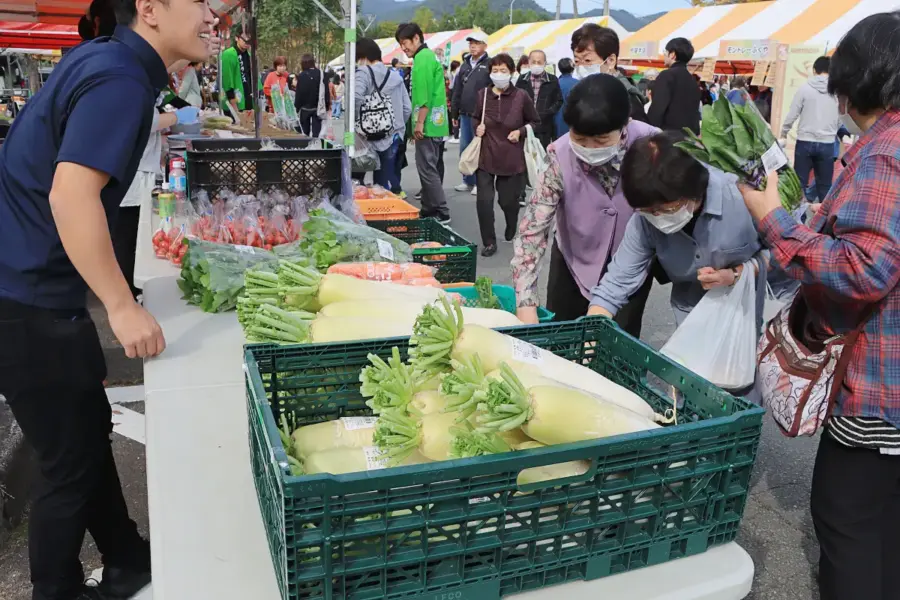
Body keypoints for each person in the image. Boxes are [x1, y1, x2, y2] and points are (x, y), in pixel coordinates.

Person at [0, 0, 216, 597]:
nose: (211, 16)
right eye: (199, 2)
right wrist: (122, 306)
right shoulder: (120, 77)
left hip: (33, 292)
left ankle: (126, 559)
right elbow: (71, 196)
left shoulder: (108, 60)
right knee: (65, 469)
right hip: (27, 300)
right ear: (149, 8)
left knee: (88, 433)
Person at [739, 12, 900, 600]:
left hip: (880, 387)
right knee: (885, 527)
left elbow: (867, 268)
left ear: (858, 81)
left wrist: (772, 220)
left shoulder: (885, 152)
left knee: (849, 523)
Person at [512, 74, 658, 333]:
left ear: (625, 123)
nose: (589, 148)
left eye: (601, 141)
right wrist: (525, 302)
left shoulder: (652, 145)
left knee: (617, 345)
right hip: (574, 260)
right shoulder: (559, 154)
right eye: (580, 138)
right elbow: (533, 228)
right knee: (563, 336)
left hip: (630, 265)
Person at [587, 131, 766, 331]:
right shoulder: (645, 220)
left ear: (694, 190)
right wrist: (594, 323)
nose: (657, 216)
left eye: (666, 209)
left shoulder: (741, 195)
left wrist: (736, 273)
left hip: (756, 311)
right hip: (693, 316)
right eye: (648, 211)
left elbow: (785, 255)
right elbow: (619, 278)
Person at [473, 53, 539, 257]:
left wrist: (520, 131)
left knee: (508, 202)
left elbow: (535, 121)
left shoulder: (521, 96)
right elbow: (475, 118)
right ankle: (489, 241)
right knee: (484, 201)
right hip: (486, 157)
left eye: (503, 70)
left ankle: (511, 224)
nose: (498, 74)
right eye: (495, 70)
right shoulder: (483, 95)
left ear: (512, 72)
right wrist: (478, 128)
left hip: (511, 158)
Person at [396, 22, 451, 224]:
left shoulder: (423, 59)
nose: (404, 48)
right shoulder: (427, 57)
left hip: (427, 123)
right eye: (401, 44)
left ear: (417, 38)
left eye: (405, 42)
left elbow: (424, 96)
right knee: (430, 167)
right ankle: (429, 208)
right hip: (435, 122)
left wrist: (418, 124)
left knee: (427, 169)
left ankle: (442, 211)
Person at [354, 37, 412, 195]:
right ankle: (385, 211)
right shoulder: (395, 76)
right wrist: (395, 126)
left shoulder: (363, 73)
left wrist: (360, 123)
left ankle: (364, 215)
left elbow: (356, 98)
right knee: (383, 183)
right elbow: (407, 108)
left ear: (363, 57)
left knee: (356, 181)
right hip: (392, 136)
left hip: (366, 136)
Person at [780, 56, 841, 203]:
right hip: (827, 143)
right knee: (825, 186)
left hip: (804, 142)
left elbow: (792, 113)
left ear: (814, 70)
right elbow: (842, 116)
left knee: (799, 185)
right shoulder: (837, 92)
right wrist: (832, 131)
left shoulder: (804, 89)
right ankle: (823, 222)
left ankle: (797, 218)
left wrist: (784, 131)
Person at [570, 23, 647, 123]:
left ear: (610, 61)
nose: (581, 67)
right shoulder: (585, 90)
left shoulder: (626, 96)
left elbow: (642, 135)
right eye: (577, 61)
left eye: (587, 60)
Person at [450, 31, 491, 193]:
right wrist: (454, 113)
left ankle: (479, 182)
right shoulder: (465, 65)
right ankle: (467, 180)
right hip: (465, 113)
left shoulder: (490, 64)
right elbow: (457, 90)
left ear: (485, 46)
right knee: (465, 148)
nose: (473, 46)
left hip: (481, 115)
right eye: (471, 43)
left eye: (477, 42)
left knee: (480, 148)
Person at [646, 38, 701, 134]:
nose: (664, 55)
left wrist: (649, 131)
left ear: (672, 55)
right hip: (688, 138)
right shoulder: (692, 80)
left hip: (668, 137)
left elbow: (658, 108)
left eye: (665, 52)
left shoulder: (667, 75)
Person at [515, 49, 563, 149]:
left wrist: (547, 113)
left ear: (545, 63)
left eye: (539, 62)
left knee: (542, 158)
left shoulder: (552, 79)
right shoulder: (522, 79)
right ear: (529, 62)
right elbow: (516, 99)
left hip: (545, 127)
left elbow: (559, 101)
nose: (536, 64)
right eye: (533, 62)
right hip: (525, 126)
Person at [294, 53, 331, 138]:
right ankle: (316, 147)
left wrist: (297, 107)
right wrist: (327, 105)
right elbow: (326, 92)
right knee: (316, 134)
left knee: (304, 134)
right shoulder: (322, 74)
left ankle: (306, 148)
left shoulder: (301, 76)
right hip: (317, 108)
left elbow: (299, 93)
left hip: (304, 109)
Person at [220, 31, 253, 120]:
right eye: (244, 40)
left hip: (248, 100)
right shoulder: (228, 54)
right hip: (234, 101)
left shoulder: (249, 55)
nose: (247, 43)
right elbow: (227, 79)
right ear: (236, 38)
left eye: (249, 41)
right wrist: (232, 100)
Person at [555, 57, 577, 139]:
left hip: (557, 124)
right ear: (573, 68)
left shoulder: (554, 84)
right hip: (574, 124)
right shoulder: (579, 84)